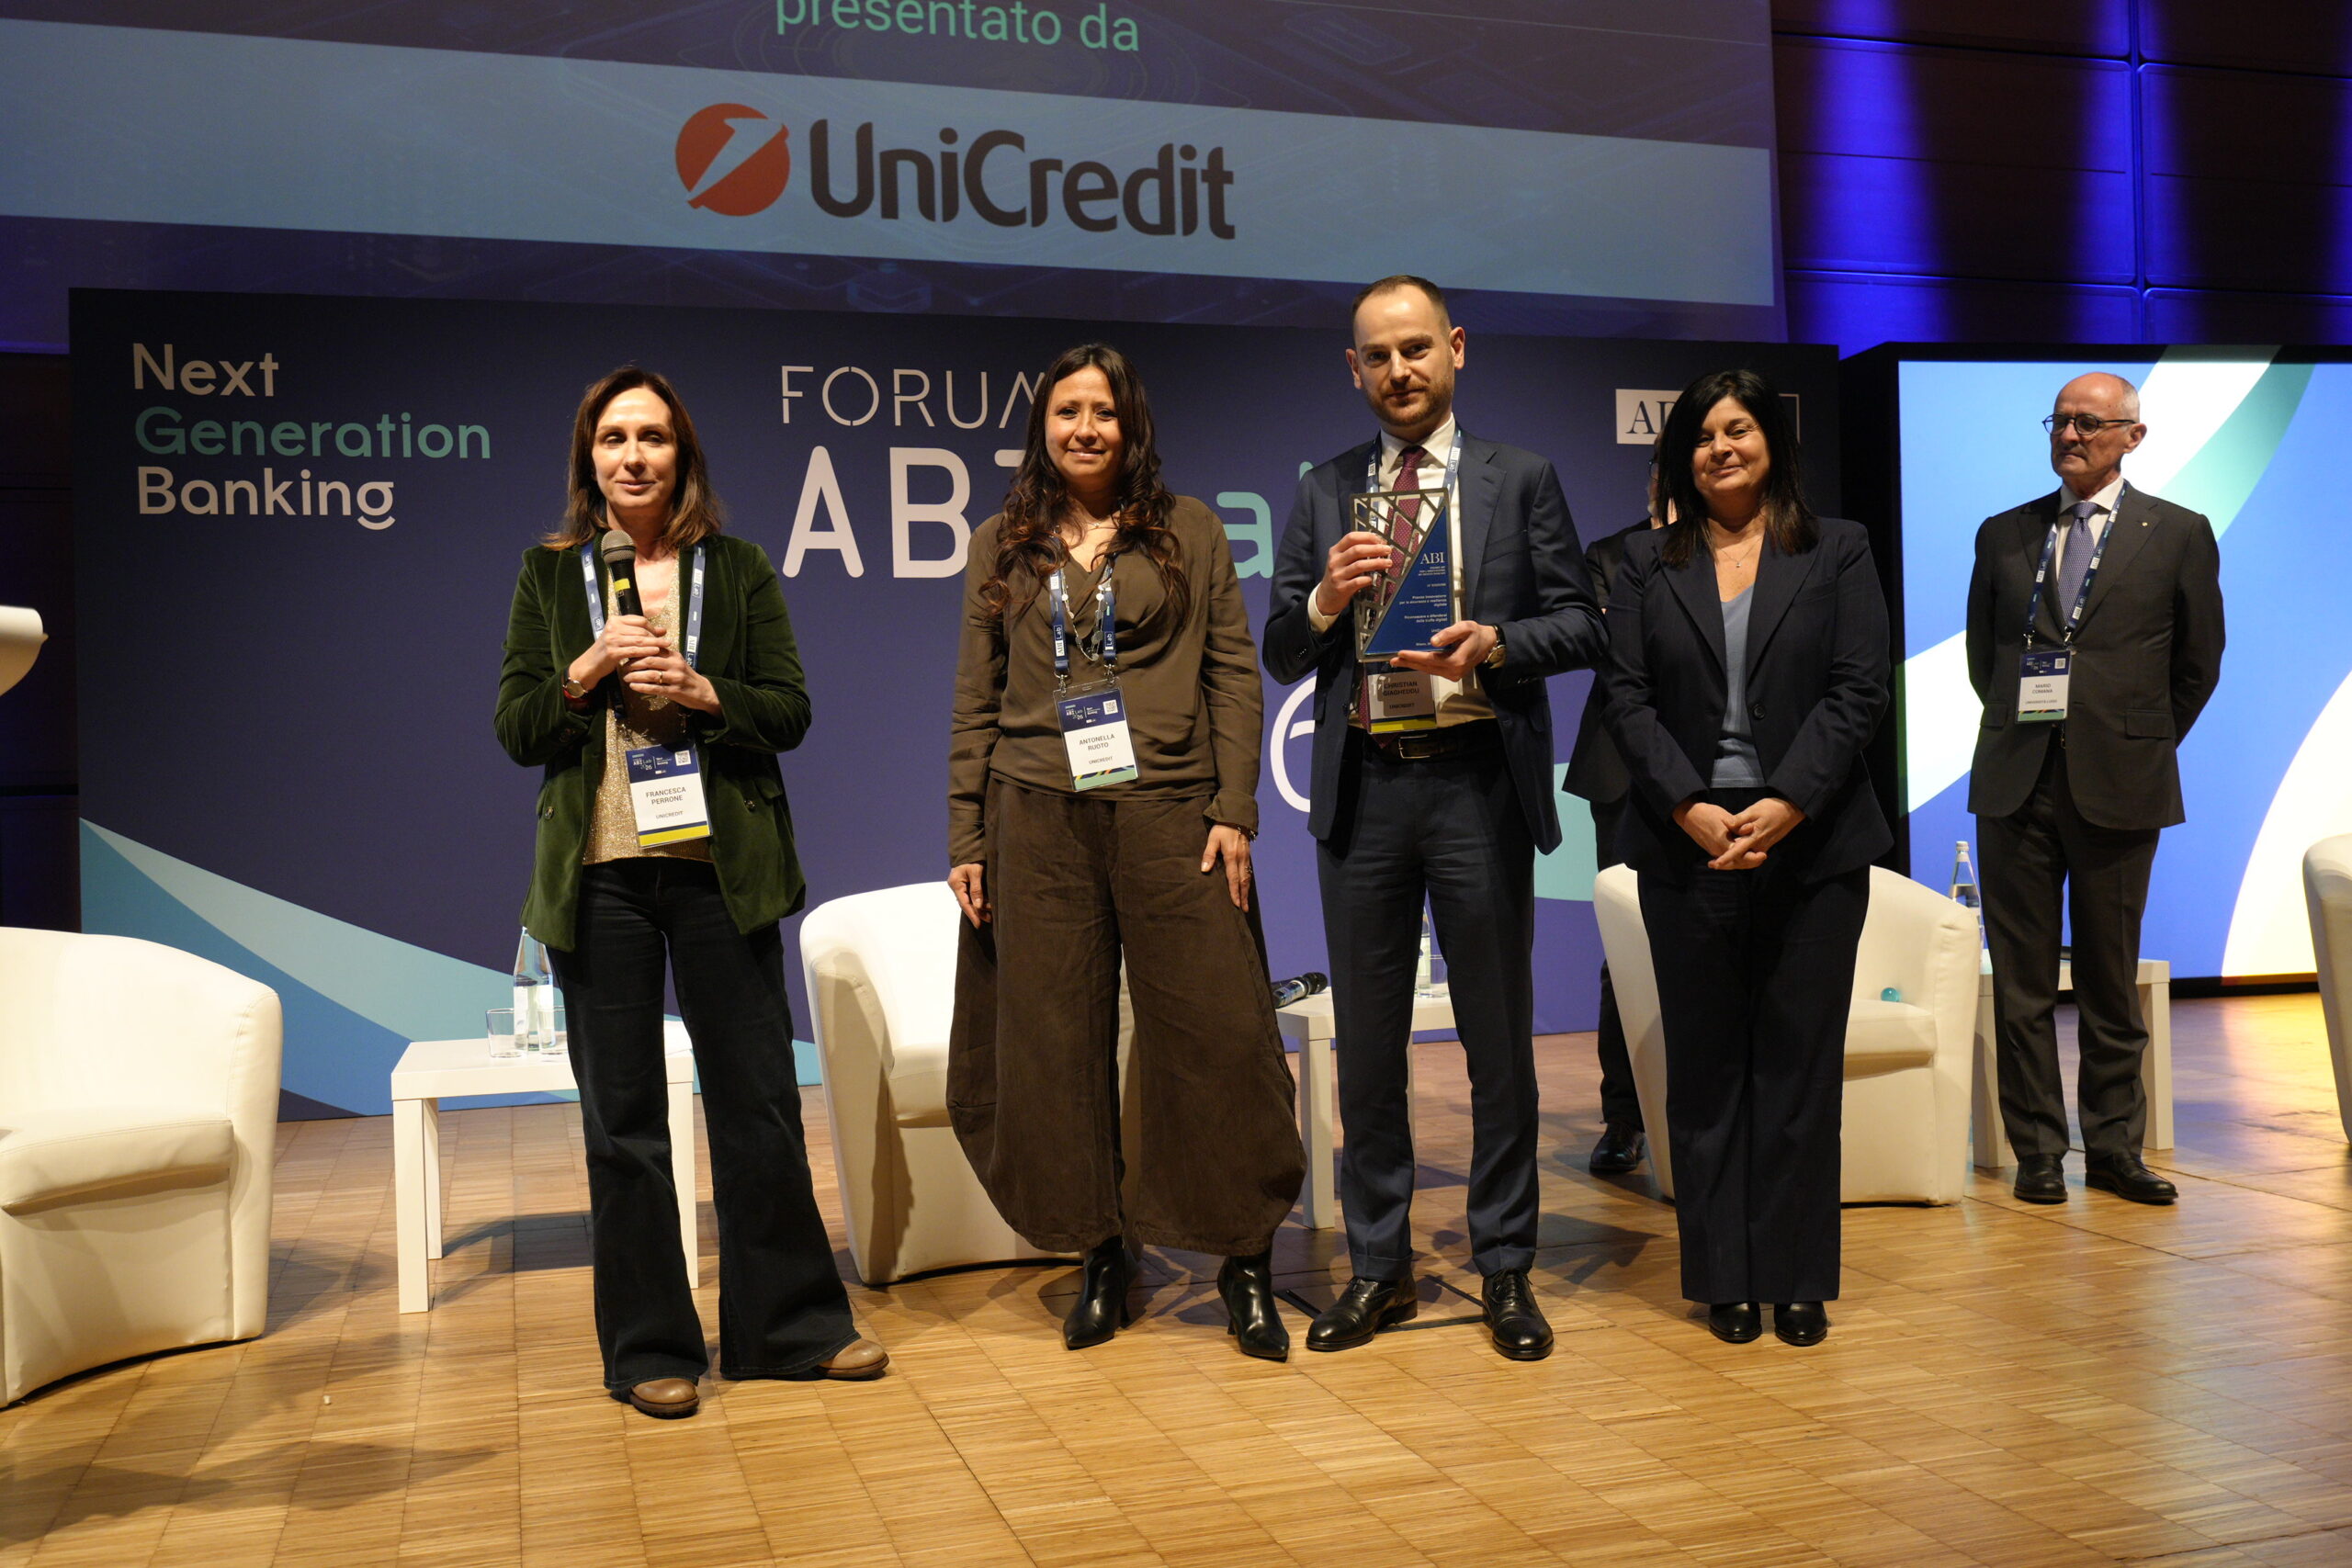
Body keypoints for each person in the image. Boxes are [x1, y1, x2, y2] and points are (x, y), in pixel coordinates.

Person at [495, 367, 885, 1419]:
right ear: (589, 458)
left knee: (757, 1105)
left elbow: (789, 709)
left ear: (682, 455)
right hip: (601, 879)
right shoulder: (550, 576)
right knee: (623, 1124)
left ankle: (790, 1329)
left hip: (722, 873)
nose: (633, 456)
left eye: (653, 437)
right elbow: (517, 727)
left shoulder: (738, 568)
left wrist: (709, 694)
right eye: (614, 438)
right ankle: (649, 1347)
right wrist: (585, 669)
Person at [1263, 276, 1603, 1361]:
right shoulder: (1324, 490)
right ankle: (1379, 1270)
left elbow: (1582, 623)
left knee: (1496, 1044)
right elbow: (1279, 648)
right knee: (1368, 1051)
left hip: (1475, 785)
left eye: (1415, 348)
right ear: (1352, 369)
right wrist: (1323, 601)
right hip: (1365, 793)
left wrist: (1496, 643)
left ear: (1455, 347)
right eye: (1377, 355)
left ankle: (1504, 1267)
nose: (1399, 371)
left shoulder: (1521, 478)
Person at [946, 343, 1305, 1360]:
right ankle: (1101, 1251)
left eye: (1103, 411)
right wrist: (966, 831)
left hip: (1172, 811)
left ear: (1131, 423)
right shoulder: (1000, 543)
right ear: (1042, 427)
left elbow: (1233, 673)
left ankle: (1242, 1260)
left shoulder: (1190, 529)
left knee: (1217, 1036)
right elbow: (974, 698)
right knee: (1053, 1046)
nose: (1085, 428)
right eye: (1067, 411)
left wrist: (1235, 809)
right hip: (1034, 815)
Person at [1603, 367, 1890, 1348]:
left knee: (1799, 1071)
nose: (1720, 449)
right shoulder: (1644, 562)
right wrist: (1688, 804)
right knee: (1707, 1071)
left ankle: (1797, 1278)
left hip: (1811, 841)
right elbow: (1625, 697)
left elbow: (1858, 690)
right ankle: (1724, 1276)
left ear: (1772, 442)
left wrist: (1789, 801)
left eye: (1738, 430)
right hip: (1685, 841)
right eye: (1701, 436)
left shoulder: (1838, 549)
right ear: (1680, 457)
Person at [1968, 372, 2224, 1207]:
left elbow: (2198, 663)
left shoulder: (2178, 532)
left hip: (2121, 784)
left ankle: (2114, 1149)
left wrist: (2136, 742)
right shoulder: (2004, 532)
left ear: (2132, 436)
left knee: (2112, 981)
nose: (2070, 434)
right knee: (2022, 985)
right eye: (2060, 420)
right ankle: (2038, 1152)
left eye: (2088, 422)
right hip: (2018, 781)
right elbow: (1985, 659)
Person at [1561, 447, 1668, 1175]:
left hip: (1719, 773)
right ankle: (1624, 1115)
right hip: (1623, 775)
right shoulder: (1609, 553)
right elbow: (1614, 649)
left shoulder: (1735, 551)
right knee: (1627, 946)